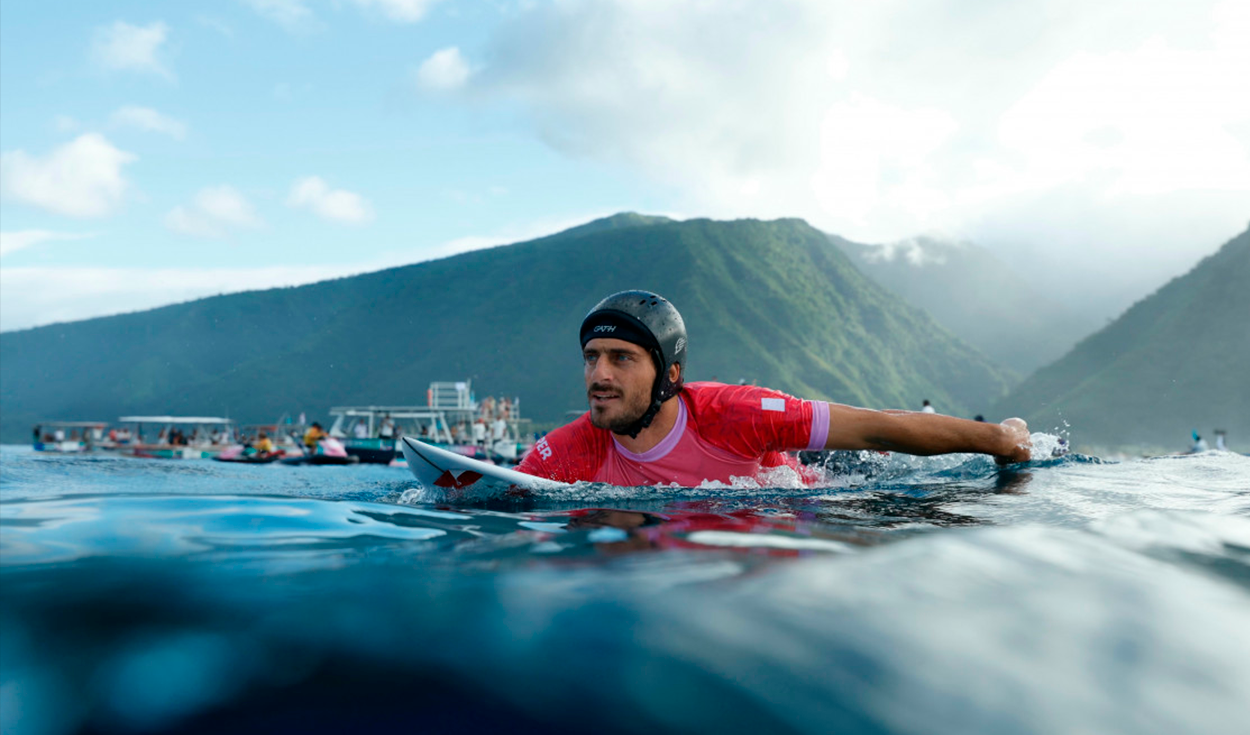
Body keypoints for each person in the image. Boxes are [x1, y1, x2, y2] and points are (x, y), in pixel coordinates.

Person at [516, 290, 1031, 486]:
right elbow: (475, 491)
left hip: (803, 507)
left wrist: (1002, 440)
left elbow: (879, 431)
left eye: (621, 358)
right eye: (591, 358)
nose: (599, 375)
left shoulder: (736, 414)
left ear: (670, 375)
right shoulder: (571, 450)